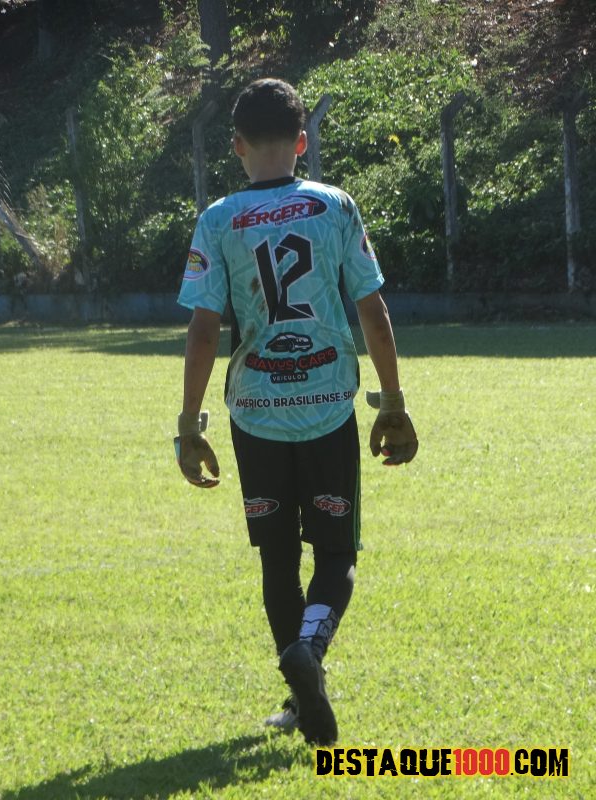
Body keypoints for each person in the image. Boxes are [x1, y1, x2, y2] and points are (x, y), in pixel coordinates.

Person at [175, 78, 418, 746]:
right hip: (328, 408)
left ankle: (301, 692)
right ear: (302, 142)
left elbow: (203, 331)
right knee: (336, 554)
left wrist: (189, 425)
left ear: (236, 146)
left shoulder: (218, 219)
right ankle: (309, 654)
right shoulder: (335, 206)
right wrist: (393, 402)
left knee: (277, 561)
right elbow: (372, 310)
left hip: (255, 415)